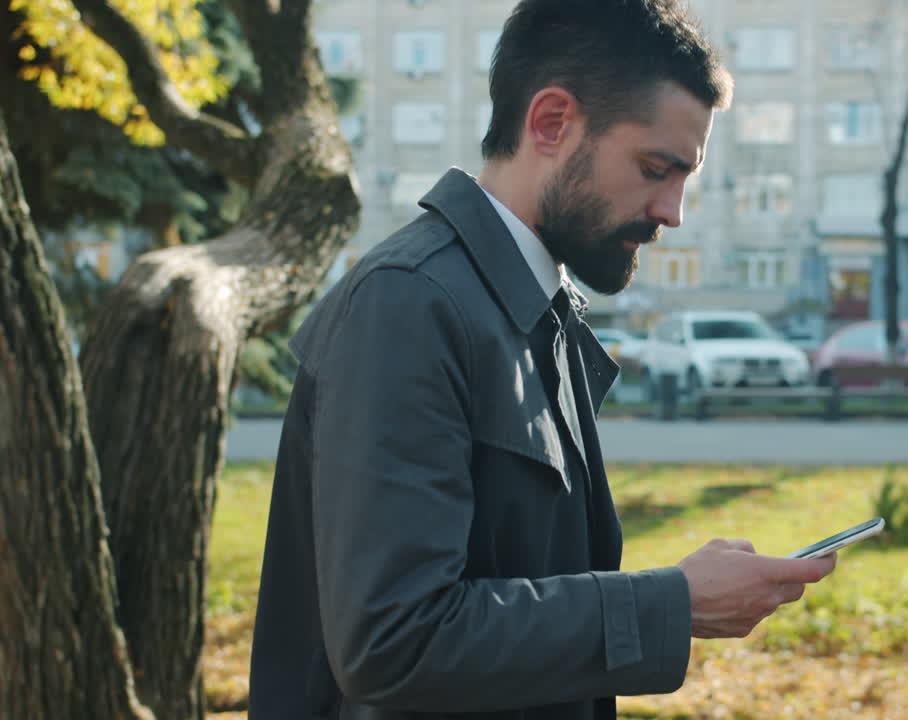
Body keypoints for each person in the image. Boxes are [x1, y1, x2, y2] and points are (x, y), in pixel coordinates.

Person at [248, 2, 837, 718]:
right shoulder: (409, 305)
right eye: (656, 168)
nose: (673, 211)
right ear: (552, 122)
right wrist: (670, 604)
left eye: (685, 178)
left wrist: (672, 596)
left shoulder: (530, 307)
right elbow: (393, 641)